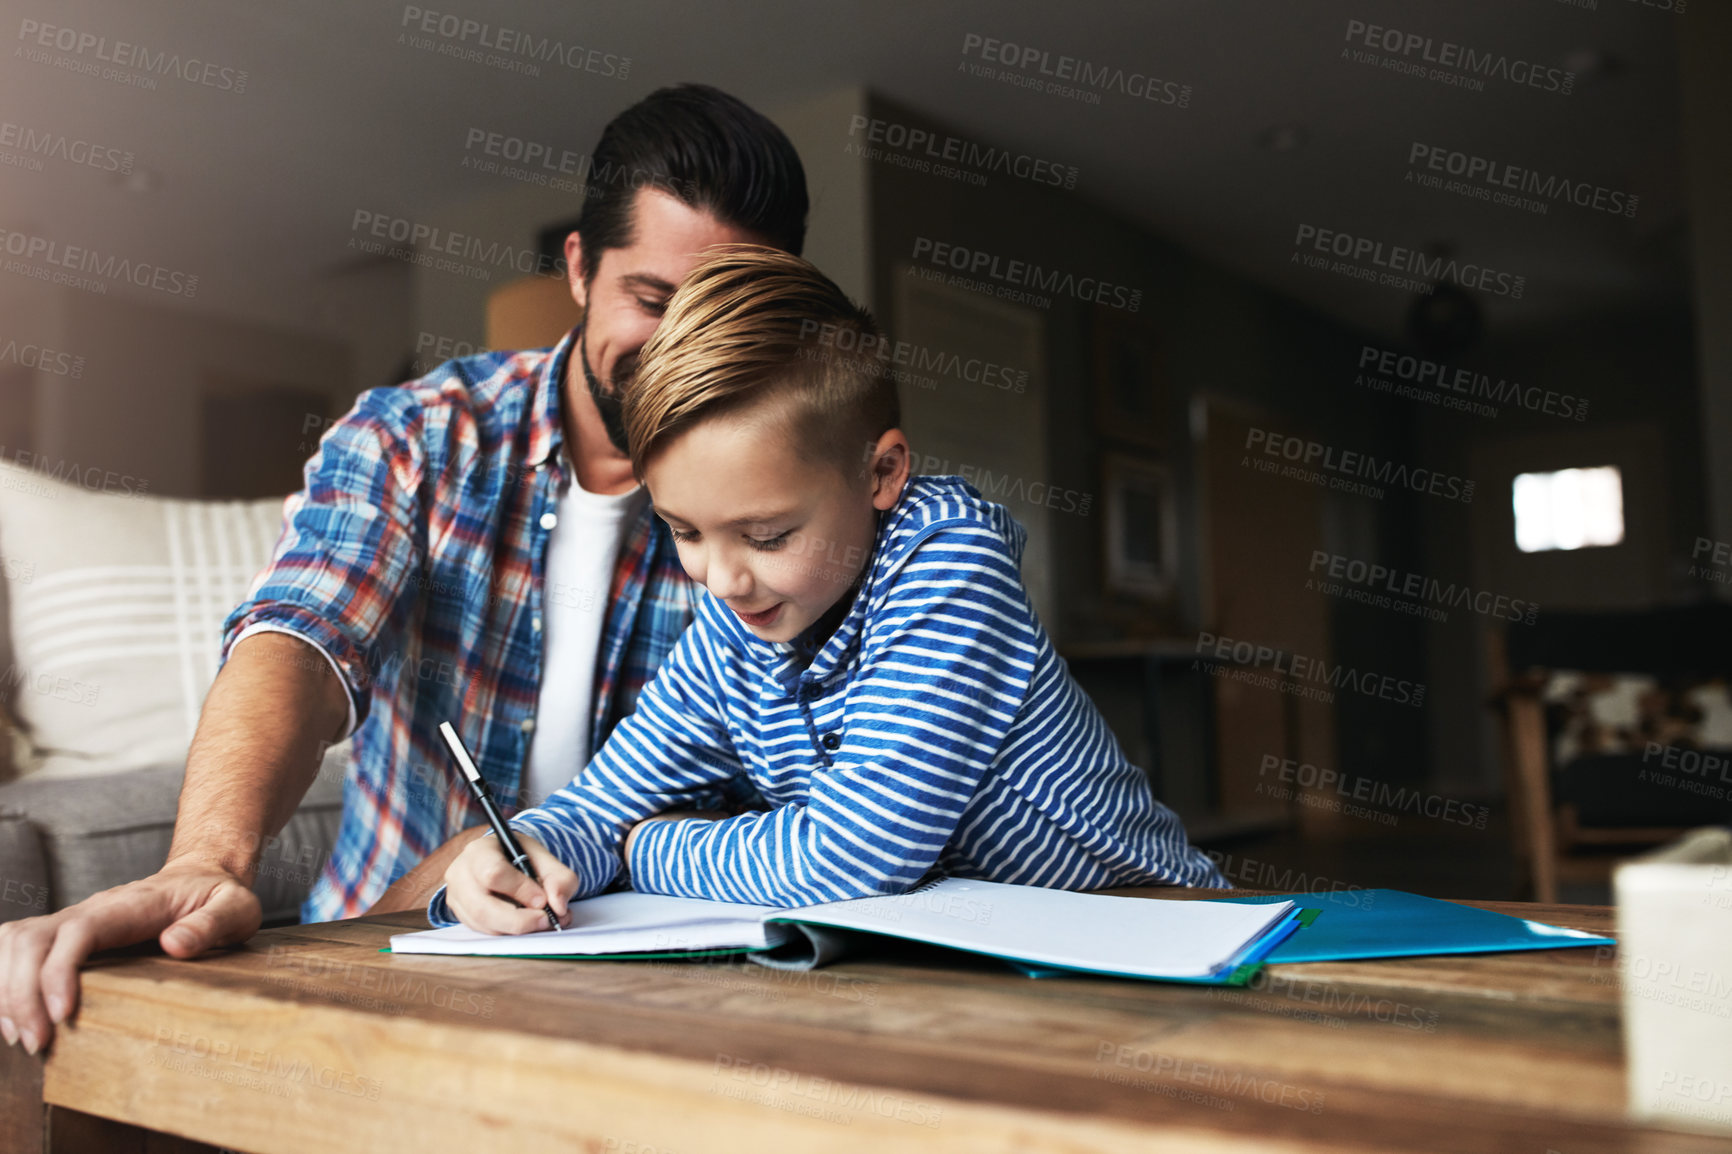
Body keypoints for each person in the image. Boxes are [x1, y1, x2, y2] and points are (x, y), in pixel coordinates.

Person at [0, 83, 807, 1055]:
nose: (681, 345)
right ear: (581, 268)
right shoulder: (420, 436)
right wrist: (206, 860)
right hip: (382, 940)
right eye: (652, 301)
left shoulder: (799, 494)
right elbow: (302, 634)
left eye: (722, 310)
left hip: (660, 972)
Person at [437, 246, 1225, 934]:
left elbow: (846, 861)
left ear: (882, 473)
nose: (724, 578)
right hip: (989, 962)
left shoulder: (950, 566)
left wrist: (639, 845)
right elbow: (600, 802)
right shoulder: (731, 625)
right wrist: (525, 853)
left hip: (1158, 926)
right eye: (684, 531)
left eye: (769, 535)